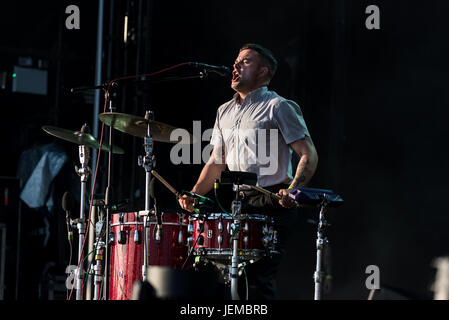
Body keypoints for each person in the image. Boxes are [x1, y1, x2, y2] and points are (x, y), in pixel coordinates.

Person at [179, 43, 318, 299]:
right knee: (227, 280)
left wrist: (292, 190)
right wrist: (195, 193)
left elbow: (309, 153)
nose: (235, 66)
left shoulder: (278, 106)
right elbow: (216, 162)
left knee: (255, 283)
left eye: (245, 62)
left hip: (273, 201)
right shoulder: (224, 112)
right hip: (238, 202)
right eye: (236, 61)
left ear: (263, 71)